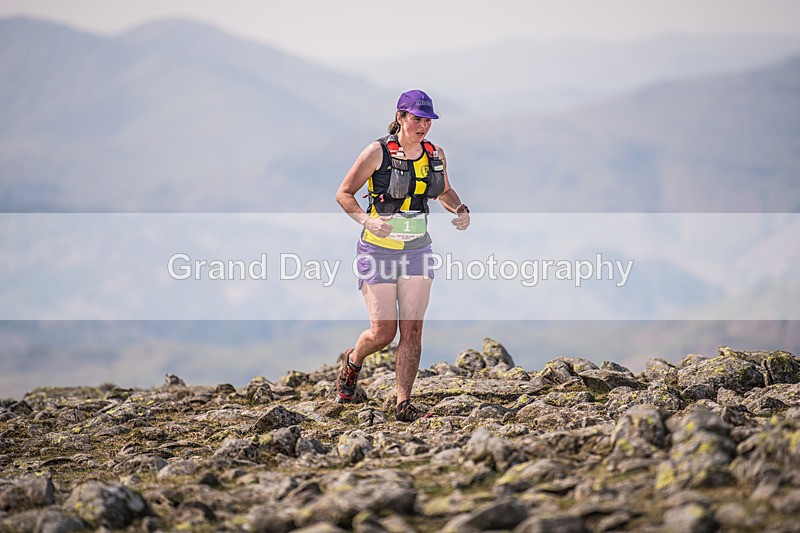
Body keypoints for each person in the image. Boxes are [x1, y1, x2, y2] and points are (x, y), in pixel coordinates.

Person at [334, 89, 470, 421]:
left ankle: (403, 403)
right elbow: (344, 194)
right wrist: (368, 220)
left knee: (412, 329)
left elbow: (444, 191)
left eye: (428, 120)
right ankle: (353, 361)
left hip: (417, 250)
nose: (423, 126)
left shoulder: (435, 154)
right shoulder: (376, 152)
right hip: (377, 250)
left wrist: (460, 209)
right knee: (384, 332)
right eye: (417, 119)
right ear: (400, 117)